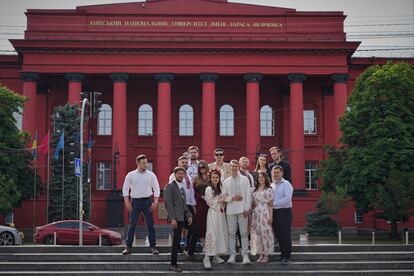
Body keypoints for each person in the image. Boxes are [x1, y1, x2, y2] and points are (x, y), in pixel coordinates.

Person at [122, 154, 160, 256]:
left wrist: (155, 202)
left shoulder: (151, 175)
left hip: (148, 201)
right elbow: (125, 189)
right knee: (132, 225)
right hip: (135, 202)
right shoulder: (130, 175)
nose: (146, 165)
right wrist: (127, 203)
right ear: (138, 163)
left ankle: (153, 247)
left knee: (150, 225)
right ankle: (128, 247)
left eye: (146, 163)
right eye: (143, 163)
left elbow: (156, 188)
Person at [164, 167, 194, 272]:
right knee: (176, 240)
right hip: (176, 217)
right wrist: (172, 218)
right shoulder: (170, 186)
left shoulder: (182, 186)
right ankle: (173, 264)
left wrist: (189, 215)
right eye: (179, 173)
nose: (180, 175)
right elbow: (168, 204)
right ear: (175, 174)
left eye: (182, 174)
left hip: (184, 216)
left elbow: (184, 204)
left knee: (195, 230)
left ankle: (190, 252)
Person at [168, 156, 198, 259]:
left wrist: (192, 206)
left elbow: (190, 192)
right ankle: (174, 260)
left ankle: (189, 250)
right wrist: (172, 217)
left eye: (186, 162)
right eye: (182, 162)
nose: (184, 163)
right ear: (178, 162)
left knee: (194, 229)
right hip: (177, 211)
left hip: (187, 206)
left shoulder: (188, 176)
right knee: (177, 235)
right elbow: (170, 201)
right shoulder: (172, 179)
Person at [222, 160, 252, 264]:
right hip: (230, 210)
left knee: (243, 233)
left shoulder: (245, 180)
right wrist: (232, 198)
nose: (234, 168)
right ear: (229, 168)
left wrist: (247, 208)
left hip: (242, 209)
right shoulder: (225, 181)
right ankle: (232, 256)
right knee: (231, 233)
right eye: (232, 166)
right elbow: (224, 197)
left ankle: (245, 255)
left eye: (236, 166)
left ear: (238, 167)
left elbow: (248, 194)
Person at [203, 169, 228, 270]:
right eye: (213, 177)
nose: (215, 179)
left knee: (219, 232)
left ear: (219, 178)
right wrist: (221, 200)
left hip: (220, 213)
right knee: (211, 233)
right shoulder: (209, 188)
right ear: (210, 178)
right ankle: (207, 257)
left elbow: (224, 200)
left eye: (216, 177)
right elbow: (209, 201)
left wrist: (223, 202)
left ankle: (216, 255)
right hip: (213, 212)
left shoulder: (221, 188)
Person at [271, 165, 293, 264]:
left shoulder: (286, 184)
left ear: (282, 173)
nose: (276, 174)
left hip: (284, 211)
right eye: (274, 173)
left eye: (277, 172)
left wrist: (274, 204)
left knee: (285, 234)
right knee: (279, 235)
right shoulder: (272, 185)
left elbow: (287, 199)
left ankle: (287, 256)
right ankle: (282, 254)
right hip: (275, 212)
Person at [250, 171, 274, 263]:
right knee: (257, 234)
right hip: (256, 214)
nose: (260, 179)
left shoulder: (269, 189)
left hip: (265, 212)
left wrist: (271, 217)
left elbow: (271, 204)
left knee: (265, 233)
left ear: (265, 178)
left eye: (262, 177)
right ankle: (260, 254)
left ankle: (266, 255)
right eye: (259, 177)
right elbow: (253, 203)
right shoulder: (254, 190)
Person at [192, 160, 210, 242]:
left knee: (209, 221)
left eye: (203, 167)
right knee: (201, 221)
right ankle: (202, 241)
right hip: (200, 202)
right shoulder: (196, 178)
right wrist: (201, 196)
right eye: (200, 168)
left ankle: (209, 241)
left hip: (210, 202)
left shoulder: (211, 177)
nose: (201, 169)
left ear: (206, 167)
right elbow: (194, 191)